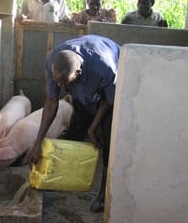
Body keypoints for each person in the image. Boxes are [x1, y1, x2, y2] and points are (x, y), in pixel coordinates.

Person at [27, 34, 120, 213]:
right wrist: (37, 144)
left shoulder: (105, 67)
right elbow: (51, 101)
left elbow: (109, 101)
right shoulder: (54, 61)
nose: (60, 86)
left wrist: (93, 128)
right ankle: (61, 178)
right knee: (74, 133)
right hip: (83, 91)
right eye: (57, 81)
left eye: (64, 83)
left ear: (77, 73)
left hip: (107, 96)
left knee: (109, 144)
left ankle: (103, 194)